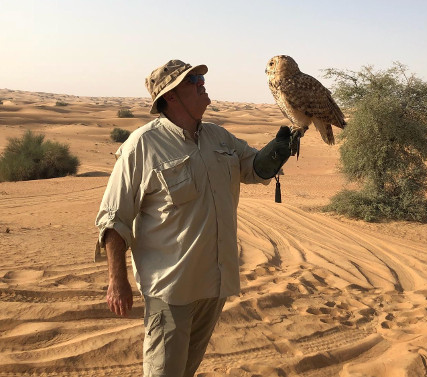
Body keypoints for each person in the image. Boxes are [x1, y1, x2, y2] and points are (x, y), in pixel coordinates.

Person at [95, 59, 291, 377]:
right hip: (171, 288)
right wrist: (117, 281)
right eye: (193, 80)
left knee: (185, 370)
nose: (202, 83)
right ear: (172, 96)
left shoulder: (219, 138)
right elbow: (114, 218)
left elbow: (254, 167)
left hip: (214, 283)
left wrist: (281, 146)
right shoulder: (143, 145)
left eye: (200, 77)